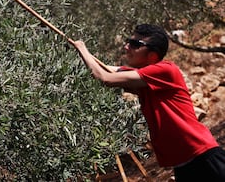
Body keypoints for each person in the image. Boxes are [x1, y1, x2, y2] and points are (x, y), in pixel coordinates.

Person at [73, 24, 225, 182]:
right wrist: (78, 53)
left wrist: (82, 48)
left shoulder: (165, 70)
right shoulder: (143, 80)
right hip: (184, 164)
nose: (126, 47)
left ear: (152, 55)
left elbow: (105, 78)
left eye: (135, 44)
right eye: (128, 41)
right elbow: (108, 70)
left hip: (203, 155)